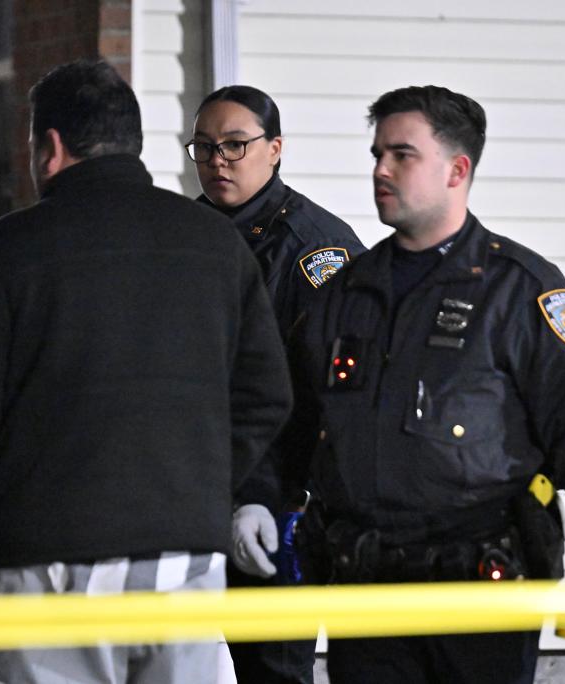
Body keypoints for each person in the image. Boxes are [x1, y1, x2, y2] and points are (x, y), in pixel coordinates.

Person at [0, 60, 292, 684]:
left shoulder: (8, 250)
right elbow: (267, 394)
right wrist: (195, 478)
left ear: (52, 148)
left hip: (51, 564)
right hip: (185, 561)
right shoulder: (214, 243)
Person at [263, 85, 565, 683]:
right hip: (367, 590)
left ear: (456, 169)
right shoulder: (345, 294)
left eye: (401, 154)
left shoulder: (519, 291)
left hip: (480, 591)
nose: (380, 169)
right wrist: (262, 498)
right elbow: (293, 419)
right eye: (377, 154)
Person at [185, 85, 365, 684]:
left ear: (276, 149)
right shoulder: (185, 234)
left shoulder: (317, 250)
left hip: (282, 500)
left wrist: (283, 498)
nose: (218, 162)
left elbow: (329, 398)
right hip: (191, 492)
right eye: (204, 148)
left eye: (236, 146)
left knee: (273, 668)